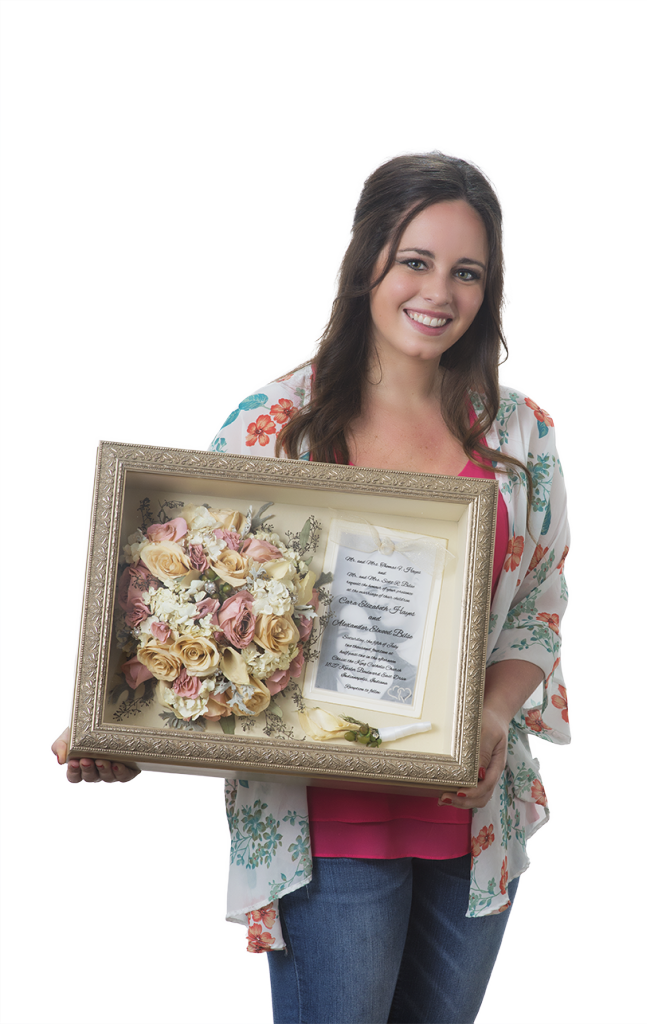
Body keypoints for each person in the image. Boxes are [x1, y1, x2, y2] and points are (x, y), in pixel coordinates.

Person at [53, 152, 570, 1023]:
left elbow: (539, 606)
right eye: (415, 260)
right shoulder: (269, 430)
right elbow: (181, 616)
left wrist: (486, 717)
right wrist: (119, 725)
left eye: (467, 272)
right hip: (326, 829)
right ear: (367, 258)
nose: (438, 291)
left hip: (469, 824)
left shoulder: (521, 432)